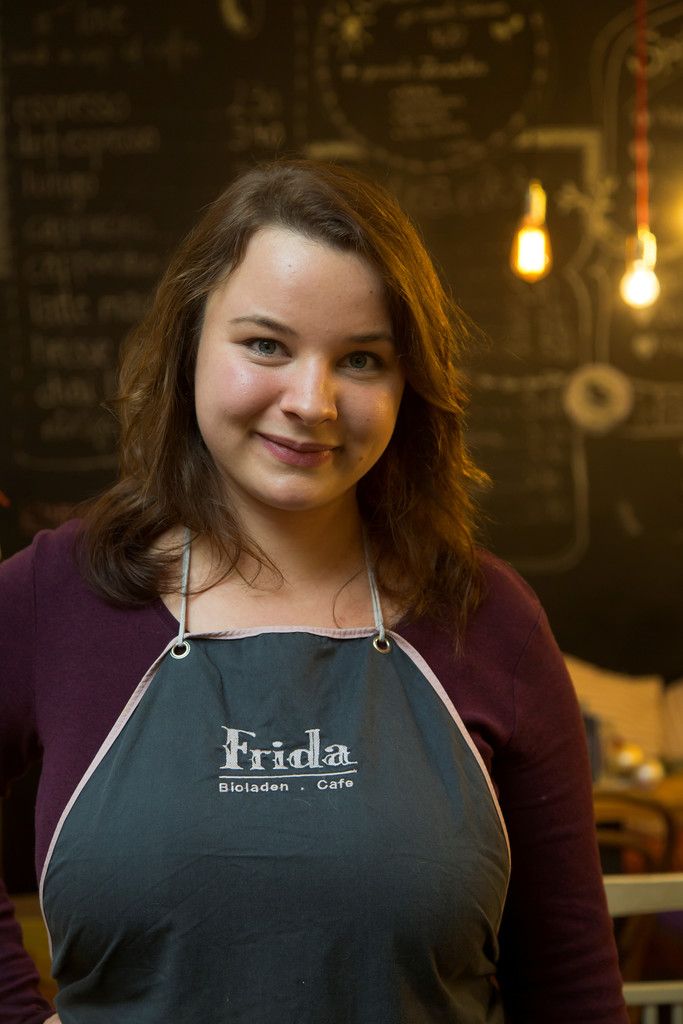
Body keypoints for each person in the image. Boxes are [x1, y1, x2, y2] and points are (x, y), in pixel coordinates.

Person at [0, 159, 627, 1023]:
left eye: (362, 359)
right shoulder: (51, 599)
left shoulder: (488, 623)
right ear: (190, 342)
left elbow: (570, 988)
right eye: (266, 344)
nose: (312, 401)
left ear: (410, 385)